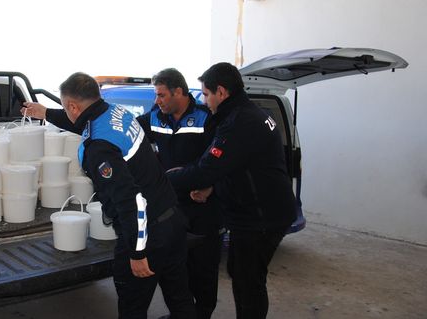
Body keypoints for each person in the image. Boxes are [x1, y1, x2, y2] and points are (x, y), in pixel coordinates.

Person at [22, 72, 196, 319]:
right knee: (180, 299)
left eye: (65, 106)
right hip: (172, 219)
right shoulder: (116, 113)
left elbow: (130, 200)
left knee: (132, 307)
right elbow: (82, 120)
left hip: (148, 233)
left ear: (73, 105)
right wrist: (47, 113)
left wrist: (137, 253)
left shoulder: (99, 148)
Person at [166, 63, 297, 319]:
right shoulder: (246, 113)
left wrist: (164, 181)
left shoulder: (239, 122)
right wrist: (211, 187)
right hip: (263, 211)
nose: (204, 100)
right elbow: (236, 164)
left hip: (260, 217)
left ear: (222, 92)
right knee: (242, 273)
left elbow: (207, 169)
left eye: (205, 94)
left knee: (248, 283)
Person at [136, 68, 224, 319]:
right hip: (171, 209)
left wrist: (211, 186)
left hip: (203, 206)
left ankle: (203, 314)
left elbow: (225, 160)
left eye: (161, 95)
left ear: (179, 92)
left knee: (204, 269)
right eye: (156, 95)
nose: (157, 101)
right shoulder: (154, 118)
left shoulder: (206, 118)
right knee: (176, 270)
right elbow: (123, 130)